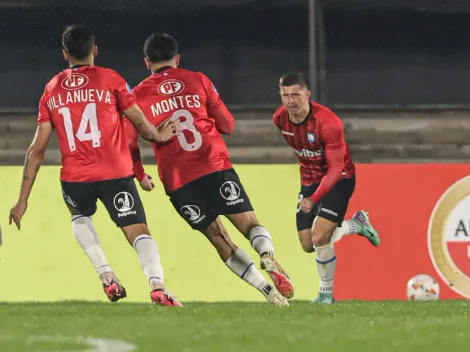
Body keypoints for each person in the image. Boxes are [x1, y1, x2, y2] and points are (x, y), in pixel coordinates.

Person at [8, 25, 182, 307]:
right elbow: (138, 121)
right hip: (115, 173)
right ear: (95, 50)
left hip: (76, 177)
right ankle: (157, 285)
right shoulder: (111, 79)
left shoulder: (51, 89)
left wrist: (22, 201)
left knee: (80, 218)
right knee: (137, 231)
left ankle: (106, 276)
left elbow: (36, 149)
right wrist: (159, 134)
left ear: (65, 54)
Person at [125, 32, 293, 306]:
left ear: (147, 62)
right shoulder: (199, 80)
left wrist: (141, 175)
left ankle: (268, 293)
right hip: (213, 164)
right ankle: (266, 254)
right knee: (249, 224)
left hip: (178, 180)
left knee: (218, 237)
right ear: (177, 58)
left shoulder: (137, 95)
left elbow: (129, 141)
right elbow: (227, 125)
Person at [272, 72, 380, 304]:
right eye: (285, 95)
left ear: (307, 94)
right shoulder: (280, 119)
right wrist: (308, 189)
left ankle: (325, 293)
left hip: (339, 179)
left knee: (320, 236)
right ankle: (355, 225)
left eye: (296, 94)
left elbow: (335, 167)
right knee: (307, 244)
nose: (290, 100)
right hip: (309, 181)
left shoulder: (328, 123)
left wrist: (315, 198)